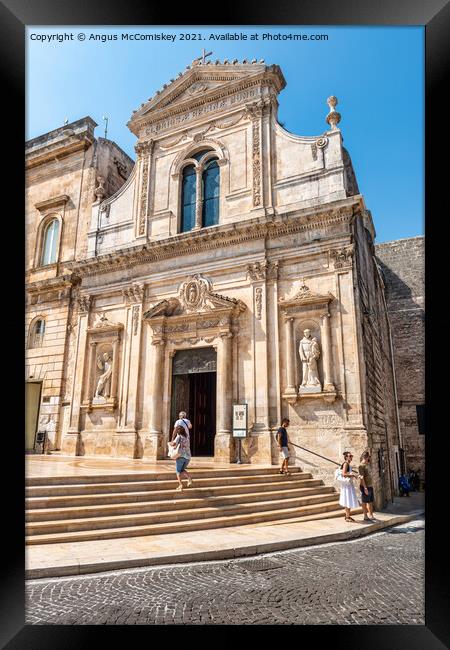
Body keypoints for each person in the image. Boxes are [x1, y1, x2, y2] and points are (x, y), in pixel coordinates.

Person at [169, 424, 192, 492]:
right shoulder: (187, 437)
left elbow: (173, 444)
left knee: (178, 471)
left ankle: (180, 485)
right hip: (188, 457)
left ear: (178, 431)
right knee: (182, 469)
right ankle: (189, 479)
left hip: (180, 456)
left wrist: (170, 443)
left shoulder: (179, 436)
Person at [339, 451, 360, 522]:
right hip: (347, 485)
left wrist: (352, 474)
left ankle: (347, 516)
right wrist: (353, 475)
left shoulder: (348, 464)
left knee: (348, 500)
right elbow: (344, 474)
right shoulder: (345, 464)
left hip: (349, 484)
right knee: (347, 499)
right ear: (346, 457)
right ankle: (347, 516)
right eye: (350, 456)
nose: (351, 457)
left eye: (352, 456)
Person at [359, 451, 376, 522]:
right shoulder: (361, 466)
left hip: (370, 485)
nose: (369, 459)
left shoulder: (368, 464)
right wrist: (365, 488)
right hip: (365, 486)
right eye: (368, 457)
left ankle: (371, 515)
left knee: (370, 501)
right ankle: (365, 516)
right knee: (364, 501)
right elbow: (361, 477)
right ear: (365, 457)